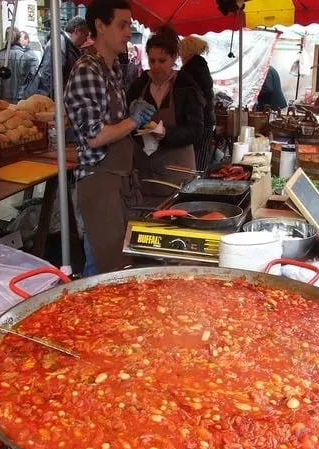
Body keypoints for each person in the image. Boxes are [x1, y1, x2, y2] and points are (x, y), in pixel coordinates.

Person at [63, 0, 155, 276]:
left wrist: (132, 115)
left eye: (130, 25)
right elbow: (96, 136)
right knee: (101, 266)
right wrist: (133, 120)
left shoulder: (112, 68)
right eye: (122, 25)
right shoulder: (87, 70)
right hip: (98, 181)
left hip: (117, 180)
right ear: (100, 27)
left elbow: (112, 120)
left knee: (117, 261)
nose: (129, 32)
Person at [127, 25, 205, 202]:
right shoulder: (139, 86)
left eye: (162, 61)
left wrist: (166, 133)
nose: (156, 66)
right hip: (144, 173)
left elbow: (196, 129)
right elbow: (125, 122)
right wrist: (132, 120)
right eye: (152, 60)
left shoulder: (186, 87)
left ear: (174, 58)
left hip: (177, 173)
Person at [180, 35, 216, 172]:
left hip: (201, 119)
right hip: (207, 118)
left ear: (187, 51)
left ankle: (198, 184)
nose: (179, 54)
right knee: (201, 154)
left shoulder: (191, 68)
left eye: (181, 50)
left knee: (197, 157)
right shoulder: (200, 65)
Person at [37, 16, 90, 98]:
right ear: (77, 31)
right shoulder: (59, 43)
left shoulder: (69, 46)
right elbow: (48, 75)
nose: (86, 39)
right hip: (55, 100)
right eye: (86, 35)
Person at [0, 27, 27, 103]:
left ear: (6, 38)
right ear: (19, 38)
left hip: (5, 97)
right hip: (22, 97)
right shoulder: (25, 55)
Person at [20, 31, 40, 97]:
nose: (18, 40)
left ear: (26, 40)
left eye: (20, 38)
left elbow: (33, 74)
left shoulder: (30, 54)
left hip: (26, 91)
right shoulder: (26, 52)